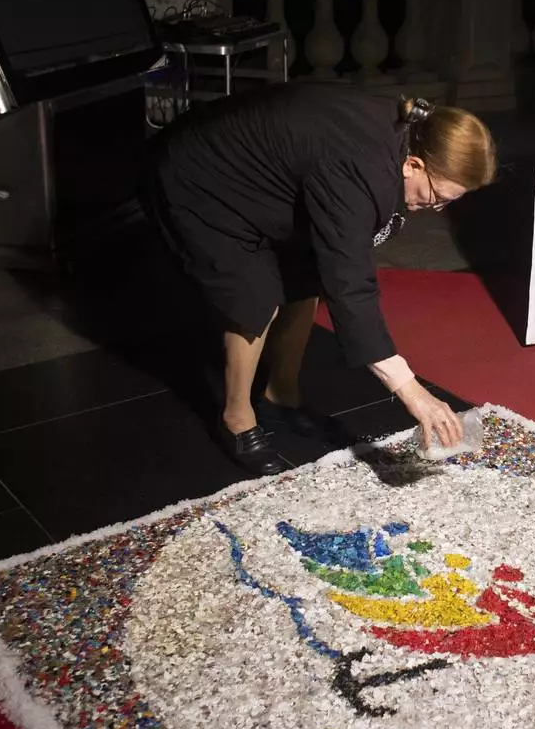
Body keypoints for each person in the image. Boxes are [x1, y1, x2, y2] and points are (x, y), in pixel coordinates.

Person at [140, 84, 496, 474]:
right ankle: (237, 417)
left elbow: (336, 262)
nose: (436, 207)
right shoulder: (361, 166)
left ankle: (280, 396)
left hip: (257, 174)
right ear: (412, 164)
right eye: (437, 195)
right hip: (199, 174)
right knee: (255, 293)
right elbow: (351, 284)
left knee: (307, 276)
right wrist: (412, 391)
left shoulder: (405, 134)